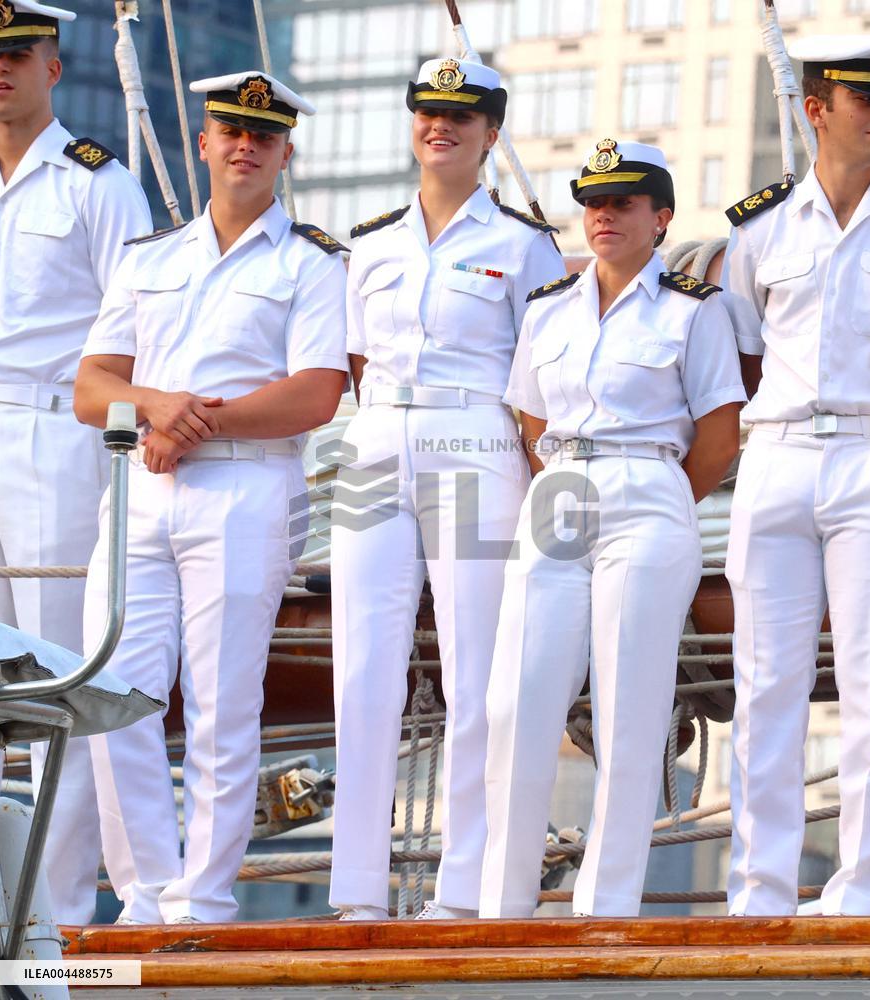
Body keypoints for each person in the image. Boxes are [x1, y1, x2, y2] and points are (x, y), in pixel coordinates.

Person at [73, 70, 348, 924]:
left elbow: (314, 395)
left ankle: (206, 897)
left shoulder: (310, 264)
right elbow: (91, 388)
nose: (244, 146)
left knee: (226, 702)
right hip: (141, 490)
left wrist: (191, 422)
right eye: (230, 132)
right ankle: (147, 890)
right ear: (203, 144)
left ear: (284, 155)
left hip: (245, 489)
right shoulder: (149, 259)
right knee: (108, 693)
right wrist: (160, 407)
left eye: (262, 137)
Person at [479, 141, 745, 918]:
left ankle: (606, 905)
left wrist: (659, 498)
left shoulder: (693, 311)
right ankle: (501, 903)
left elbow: (719, 435)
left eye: (623, 203)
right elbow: (531, 416)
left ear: (660, 219)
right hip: (559, 483)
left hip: (649, 484)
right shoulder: (547, 308)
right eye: (592, 201)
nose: (602, 214)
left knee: (632, 705)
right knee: (517, 698)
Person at [329, 57, 565, 921]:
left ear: (490, 134)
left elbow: (540, 372)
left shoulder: (523, 244)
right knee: (361, 667)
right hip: (376, 444)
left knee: (473, 668)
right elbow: (355, 361)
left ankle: (461, 887)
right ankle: (355, 891)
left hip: (474, 443)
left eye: (461, 115)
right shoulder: (371, 240)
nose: (442, 125)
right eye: (428, 111)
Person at [721, 35, 870, 917]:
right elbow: (743, 357)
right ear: (814, 110)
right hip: (777, 455)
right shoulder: (758, 228)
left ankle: (865, 889)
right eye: (865, 97)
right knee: (765, 682)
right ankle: (758, 889)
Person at [0, 0, 151, 924]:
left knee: (54, 679)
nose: (1, 68)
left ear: (54, 68)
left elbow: (140, 329)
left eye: (19, 53)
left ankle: (49, 916)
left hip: (56, 435)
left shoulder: (98, 184)